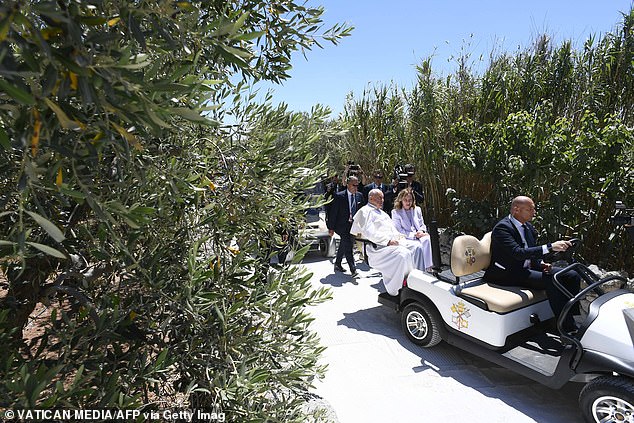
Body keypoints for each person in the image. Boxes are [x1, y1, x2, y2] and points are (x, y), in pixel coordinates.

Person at [483, 196, 581, 331]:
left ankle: (568, 315)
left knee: (571, 275)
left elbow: (530, 251)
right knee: (553, 280)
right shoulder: (502, 229)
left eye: (534, 209)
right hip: (507, 274)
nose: (534, 212)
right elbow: (518, 253)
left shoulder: (527, 227)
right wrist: (550, 246)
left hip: (524, 270)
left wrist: (540, 263)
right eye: (530, 209)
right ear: (516, 209)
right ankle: (566, 328)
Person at [350, 189, 427, 295]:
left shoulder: (382, 213)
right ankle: (399, 288)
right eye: (379, 198)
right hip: (378, 247)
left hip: (392, 243)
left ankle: (418, 282)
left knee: (417, 248)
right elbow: (369, 233)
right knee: (403, 254)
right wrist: (387, 241)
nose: (382, 200)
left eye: (382, 198)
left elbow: (393, 230)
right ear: (371, 198)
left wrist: (400, 237)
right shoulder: (365, 211)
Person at [327, 175, 365, 277]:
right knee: (348, 245)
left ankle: (338, 263)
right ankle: (353, 270)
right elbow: (333, 213)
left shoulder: (359, 196)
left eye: (357, 185)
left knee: (345, 244)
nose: (356, 187)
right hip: (341, 225)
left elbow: (363, 212)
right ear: (348, 185)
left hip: (353, 226)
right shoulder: (339, 196)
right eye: (354, 185)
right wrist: (331, 227)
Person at [391, 189, 433, 271]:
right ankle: (418, 270)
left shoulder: (417, 209)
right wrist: (414, 235)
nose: (408, 202)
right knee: (419, 247)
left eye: (410, 200)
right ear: (401, 200)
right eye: (405, 200)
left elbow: (422, 224)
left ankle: (428, 268)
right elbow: (398, 230)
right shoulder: (396, 212)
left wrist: (422, 231)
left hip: (419, 235)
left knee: (428, 240)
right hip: (406, 237)